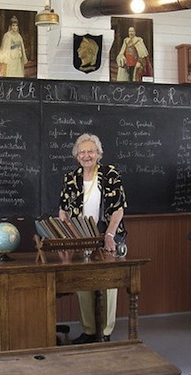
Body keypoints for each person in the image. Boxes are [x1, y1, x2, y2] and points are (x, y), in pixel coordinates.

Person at [58, 133, 128, 344]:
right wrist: (70, 236)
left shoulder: (110, 174)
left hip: (108, 236)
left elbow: (118, 209)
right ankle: (89, 330)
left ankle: (104, 332)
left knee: (108, 284)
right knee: (83, 284)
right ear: (76, 155)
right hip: (81, 237)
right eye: (82, 151)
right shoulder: (71, 177)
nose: (86, 155)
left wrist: (109, 235)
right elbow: (63, 211)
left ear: (98, 154)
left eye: (90, 151)